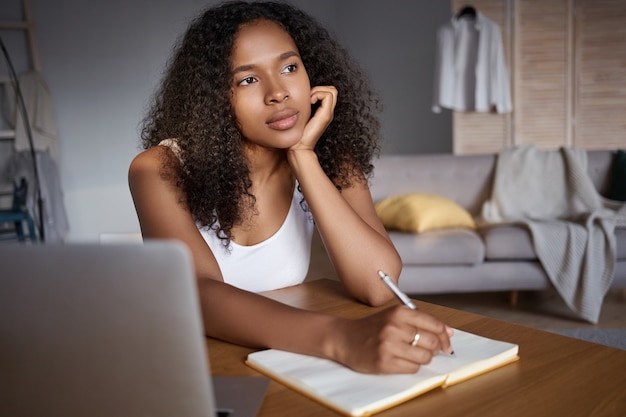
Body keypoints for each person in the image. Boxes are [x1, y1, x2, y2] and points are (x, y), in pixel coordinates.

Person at [129, 0, 453, 374]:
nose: (278, 92)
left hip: (281, 360)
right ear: (213, 98)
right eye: (248, 79)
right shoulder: (158, 169)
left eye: (289, 67)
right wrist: (342, 339)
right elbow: (196, 294)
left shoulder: (332, 159)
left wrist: (304, 157)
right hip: (194, 365)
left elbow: (378, 286)